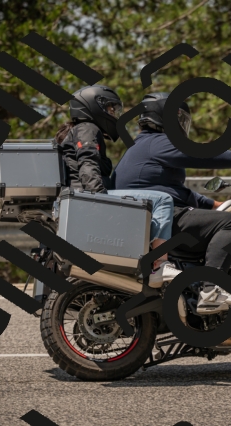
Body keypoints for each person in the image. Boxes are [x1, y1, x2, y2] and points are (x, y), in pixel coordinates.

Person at [111, 92, 231, 313]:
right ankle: (212, 290)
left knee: (222, 216)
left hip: (152, 216)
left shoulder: (144, 145)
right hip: (161, 218)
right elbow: (202, 154)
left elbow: (176, 192)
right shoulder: (158, 142)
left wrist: (216, 205)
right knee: (230, 223)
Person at [55, 85, 179, 287]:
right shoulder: (88, 128)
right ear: (93, 106)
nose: (113, 114)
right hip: (85, 197)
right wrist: (100, 201)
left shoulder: (79, 130)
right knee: (163, 199)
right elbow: (88, 165)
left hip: (80, 197)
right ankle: (160, 265)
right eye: (110, 109)